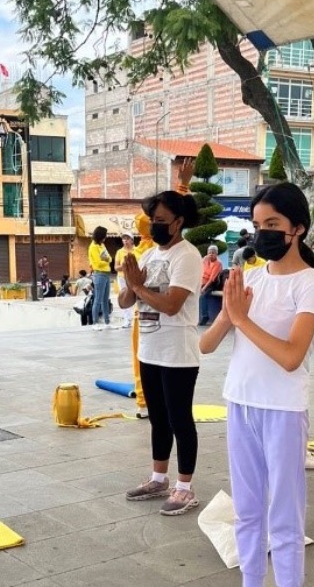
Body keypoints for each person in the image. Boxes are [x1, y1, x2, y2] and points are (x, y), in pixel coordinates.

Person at [200, 183, 314, 587]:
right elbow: (205, 345)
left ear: (298, 229)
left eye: (272, 224)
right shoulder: (251, 278)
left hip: (283, 409)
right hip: (240, 402)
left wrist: (242, 320)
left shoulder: (311, 284)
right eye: (258, 225)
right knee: (248, 510)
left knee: (285, 517)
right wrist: (229, 314)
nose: (263, 233)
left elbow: (292, 356)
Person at [119, 191, 203, 516]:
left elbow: (171, 304)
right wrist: (131, 285)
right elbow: (125, 303)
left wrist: (139, 287)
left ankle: (185, 487)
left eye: (161, 221)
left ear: (179, 222)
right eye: (153, 220)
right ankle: (158, 477)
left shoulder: (188, 256)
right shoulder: (150, 255)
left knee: (179, 419)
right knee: (157, 419)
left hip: (178, 353)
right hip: (150, 350)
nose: (155, 226)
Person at [130, 211, 156, 419]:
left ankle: (143, 402)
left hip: (142, 313)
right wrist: (183, 187)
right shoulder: (158, 251)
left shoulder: (137, 253)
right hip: (157, 311)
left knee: (140, 357)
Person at [88, 226, 112, 330]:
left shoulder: (102, 245)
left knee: (105, 299)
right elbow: (97, 263)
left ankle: (107, 322)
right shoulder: (93, 247)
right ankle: (95, 323)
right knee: (98, 299)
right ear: (100, 236)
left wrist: (106, 259)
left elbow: (110, 258)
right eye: (104, 235)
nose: (106, 237)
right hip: (99, 274)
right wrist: (105, 260)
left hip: (107, 274)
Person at [114, 232, 136, 328]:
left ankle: (136, 318)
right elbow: (116, 267)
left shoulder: (137, 250)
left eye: (127, 238)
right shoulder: (119, 252)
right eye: (123, 239)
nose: (125, 241)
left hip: (134, 277)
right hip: (122, 277)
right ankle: (127, 320)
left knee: (137, 297)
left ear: (132, 240)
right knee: (125, 297)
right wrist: (124, 267)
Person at [199, 245, 223, 326]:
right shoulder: (206, 260)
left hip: (212, 284)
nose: (211, 254)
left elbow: (212, 279)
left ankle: (205, 317)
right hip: (203, 282)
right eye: (209, 253)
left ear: (216, 254)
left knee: (203, 296)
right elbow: (200, 270)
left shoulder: (218, 263)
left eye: (213, 253)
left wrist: (203, 288)